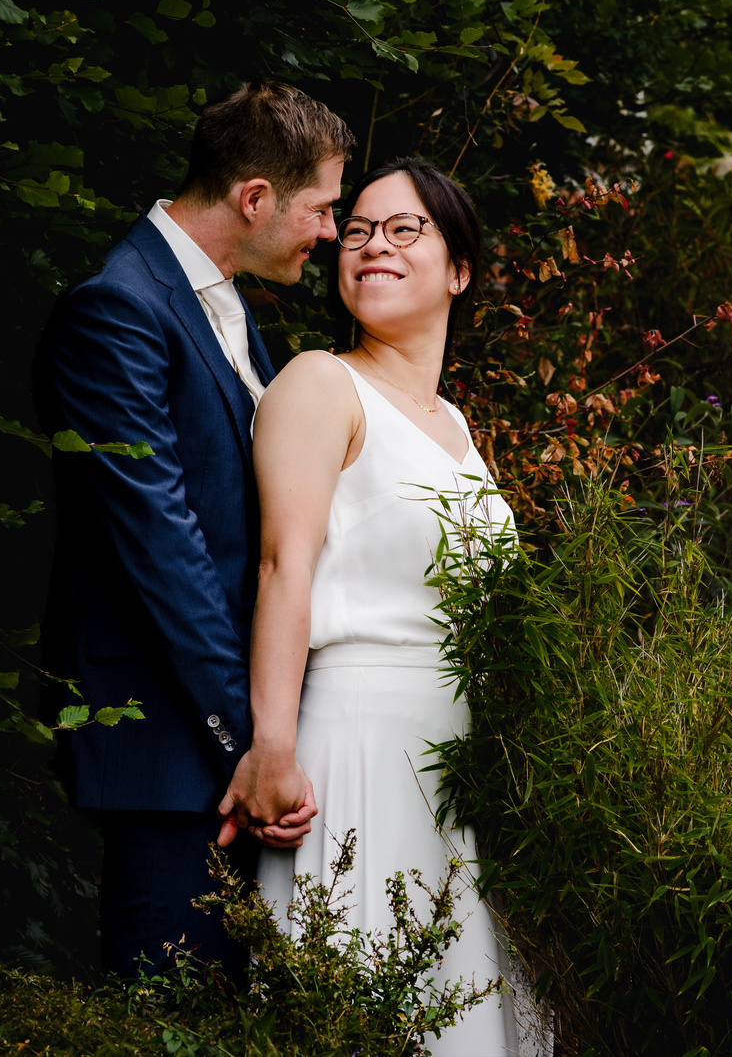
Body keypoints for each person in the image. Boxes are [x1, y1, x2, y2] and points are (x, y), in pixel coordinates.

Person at [36, 80, 354, 979]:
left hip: (225, 743)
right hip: (174, 747)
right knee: (172, 1013)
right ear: (255, 198)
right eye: (323, 208)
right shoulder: (117, 310)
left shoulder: (218, 301)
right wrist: (251, 738)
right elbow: (163, 548)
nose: (331, 233)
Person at [219, 156, 521, 1054]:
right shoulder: (320, 383)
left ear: (459, 268)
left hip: (459, 771)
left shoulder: (457, 426)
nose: (371, 246)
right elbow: (284, 567)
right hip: (358, 750)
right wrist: (272, 744)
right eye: (355, 231)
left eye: (403, 229)